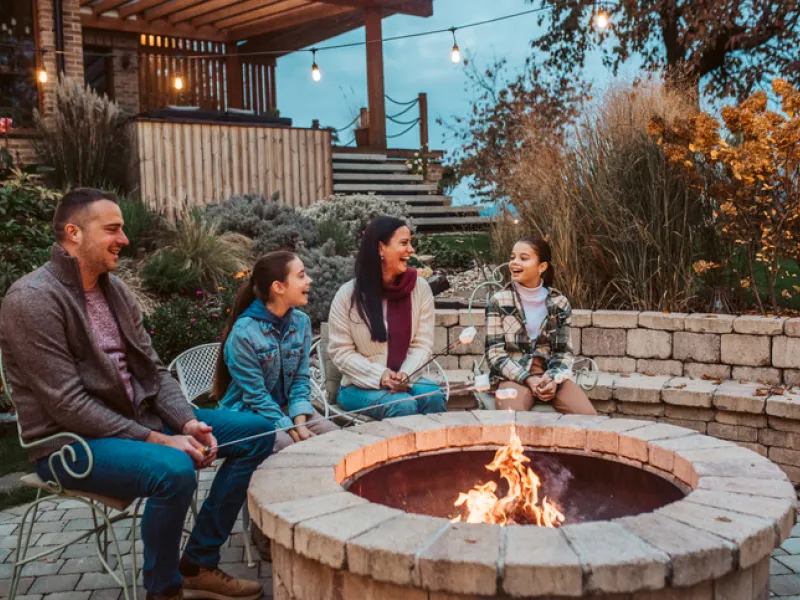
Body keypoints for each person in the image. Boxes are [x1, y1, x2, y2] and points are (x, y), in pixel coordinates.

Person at [0, 189, 273, 600]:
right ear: (73, 233)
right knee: (172, 469)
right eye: (112, 229)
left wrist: (186, 421)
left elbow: (155, 371)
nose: (123, 239)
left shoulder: (116, 292)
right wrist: (162, 439)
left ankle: (197, 561)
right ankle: (163, 590)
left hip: (138, 421)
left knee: (257, 433)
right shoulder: (32, 299)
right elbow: (68, 405)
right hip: (70, 444)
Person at [214, 251, 338, 452]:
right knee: (289, 448)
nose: (309, 280)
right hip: (249, 414)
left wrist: (299, 420)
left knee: (336, 438)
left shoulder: (301, 322)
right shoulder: (244, 333)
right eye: (301, 275)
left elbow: (300, 377)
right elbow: (255, 396)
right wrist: (290, 429)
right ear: (278, 287)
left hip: (289, 408)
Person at [327, 216, 447, 419]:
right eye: (403, 243)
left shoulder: (420, 289)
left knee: (434, 396)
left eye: (410, 243)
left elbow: (423, 344)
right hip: (358, 386)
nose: (411, 250)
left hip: (406, 378)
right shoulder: (348, 295)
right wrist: (381, 376)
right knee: (402, 406)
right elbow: (341, 352)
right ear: (381, 249)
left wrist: (404, 375)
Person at [485, 236, 597, 415]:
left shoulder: (559, 303)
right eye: (513, 257)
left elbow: (563, 352)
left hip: (549, 374)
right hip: (513, 375)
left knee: (588, 417)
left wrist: (553, 379)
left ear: (542, 267)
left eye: (523, 258)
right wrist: (527, 378)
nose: (514, 262)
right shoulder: (499, 301)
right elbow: (495, 354)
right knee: (512, 417)